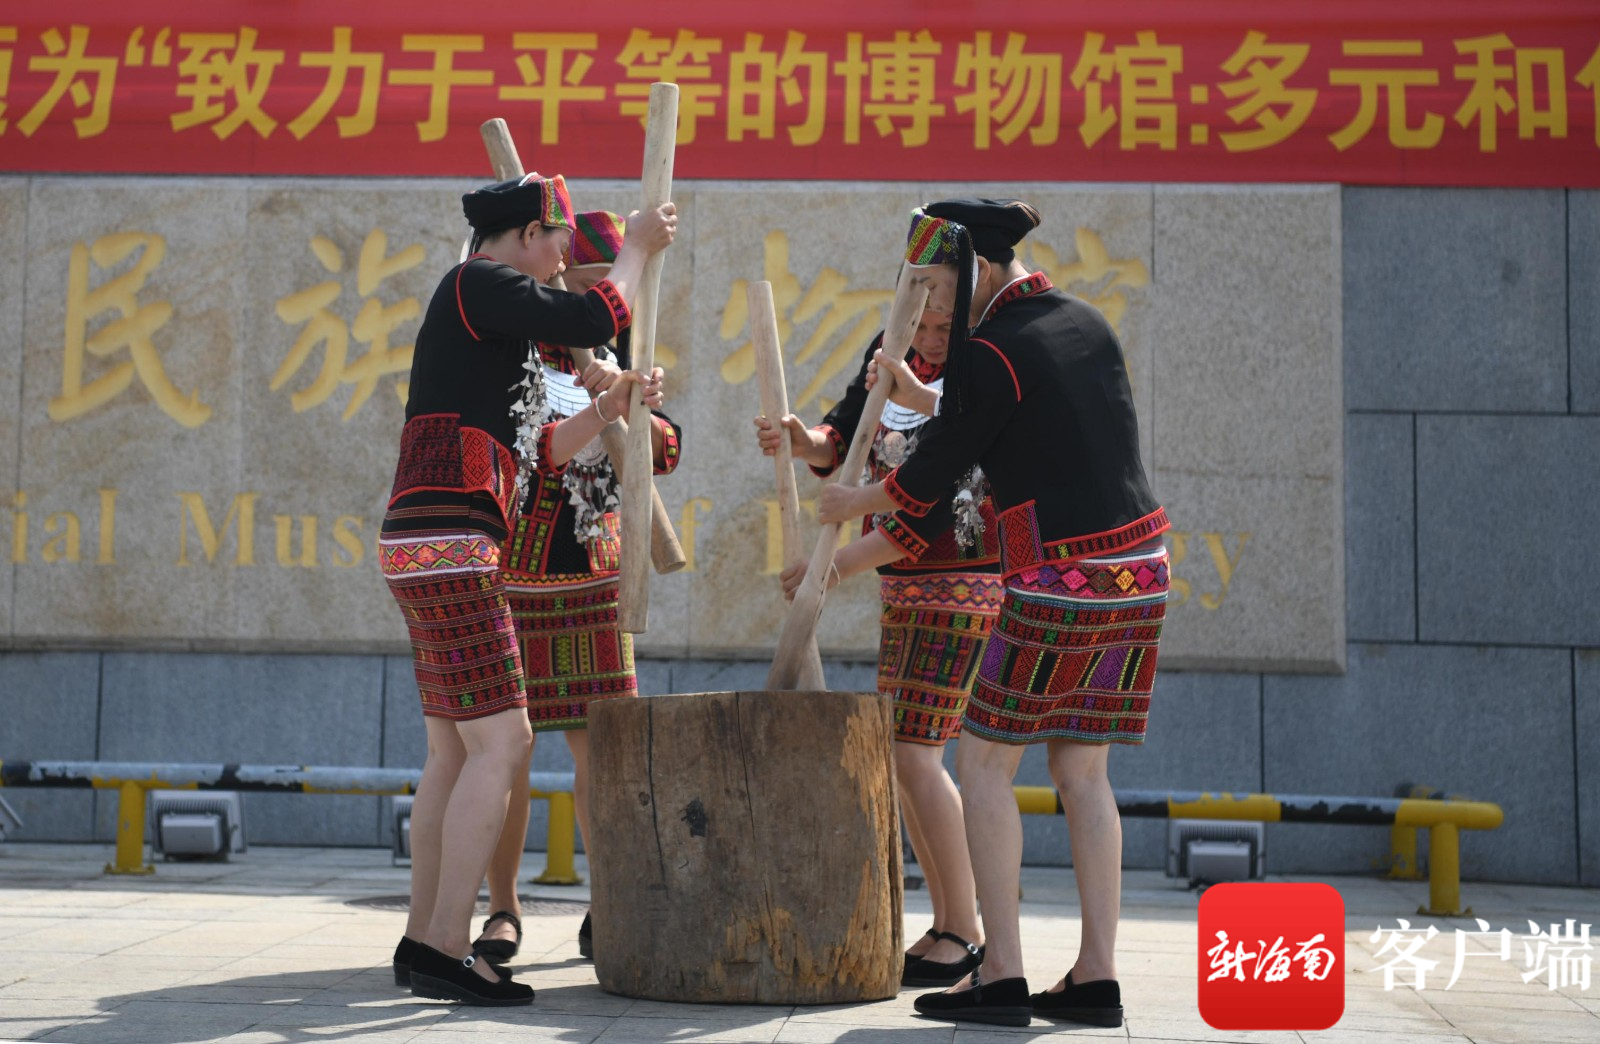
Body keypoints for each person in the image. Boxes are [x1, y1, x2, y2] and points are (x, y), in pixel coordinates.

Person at [815, 199, 1169, 1029]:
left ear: (977, 269)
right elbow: (1015, 421)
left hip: (1057, 575)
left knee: (980, 768)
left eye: (935, 288)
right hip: (1141, 568)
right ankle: (1096, 975)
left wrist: (850, 501)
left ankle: (999, 970)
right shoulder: (1080, 320)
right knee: (1084, 776)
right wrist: (923, 397)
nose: (928, 309)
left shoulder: (985, 352)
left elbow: (928, 478)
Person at [380, 174, 675, 1005]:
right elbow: (591, 315)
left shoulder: (489, 319)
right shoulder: (480, 283)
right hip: (457, 543)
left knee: (452, 750)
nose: (561, 259)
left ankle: (419, 940)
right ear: (523, 236)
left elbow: (545, 449)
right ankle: (446, 943)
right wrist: (639, 250)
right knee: (506, 744)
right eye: (555, 242)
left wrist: (611, 402)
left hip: (426, 540)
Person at [756, 213, 1000, 988]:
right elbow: (847, 437)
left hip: (958, 584)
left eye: (939, 316)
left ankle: (964, 927)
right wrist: (804, 443)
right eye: (917, 311)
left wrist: (840, 565)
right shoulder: (886, 351)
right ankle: (949, 922)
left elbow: (934, 500)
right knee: (905, 756)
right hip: (909, 593)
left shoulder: (980, 371)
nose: (926, 331)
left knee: (916, 755)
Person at [472, 211, 682, 967]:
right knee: (507, 753)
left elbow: (663, 453)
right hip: (517, 571)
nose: (597, 302)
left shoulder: (624, 359)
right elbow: (526, 447)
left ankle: (607, 902)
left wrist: (637, 403)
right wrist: (597, 397)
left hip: (594, 572)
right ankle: (501, 908)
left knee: (602, 752)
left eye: (604, 288)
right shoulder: (517, 350)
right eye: (584, 285)